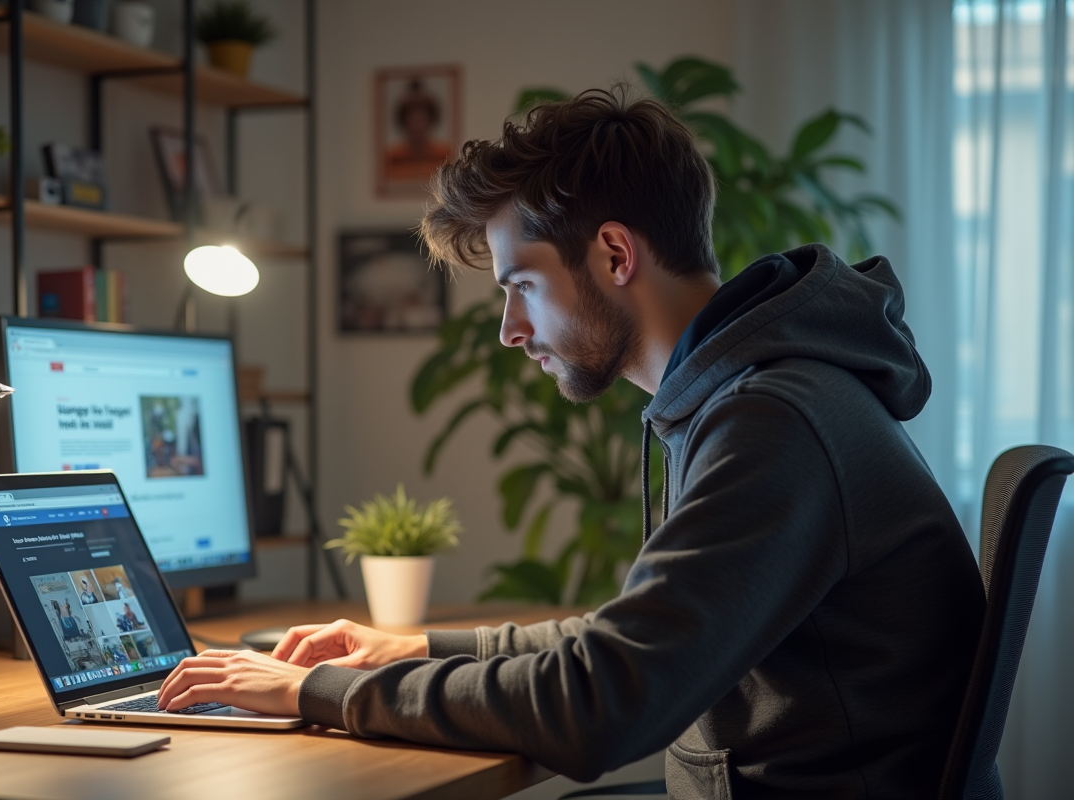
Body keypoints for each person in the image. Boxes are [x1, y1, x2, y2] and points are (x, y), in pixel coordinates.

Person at [158, 88, 986, 798]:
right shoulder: (745, 397)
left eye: (522, 284)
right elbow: (630, 643)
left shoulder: (773, 420)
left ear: (615, 254)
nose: (510, 330)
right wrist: (416, 649)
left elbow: (604, 701)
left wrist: (320, 691)